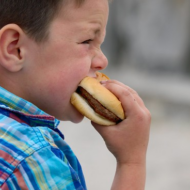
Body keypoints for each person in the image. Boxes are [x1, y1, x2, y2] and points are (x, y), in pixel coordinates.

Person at [0, 0, 151, 189]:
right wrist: (132, 163)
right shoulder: (33, 161)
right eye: (87, 41)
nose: (103, 61)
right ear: (15, 49)